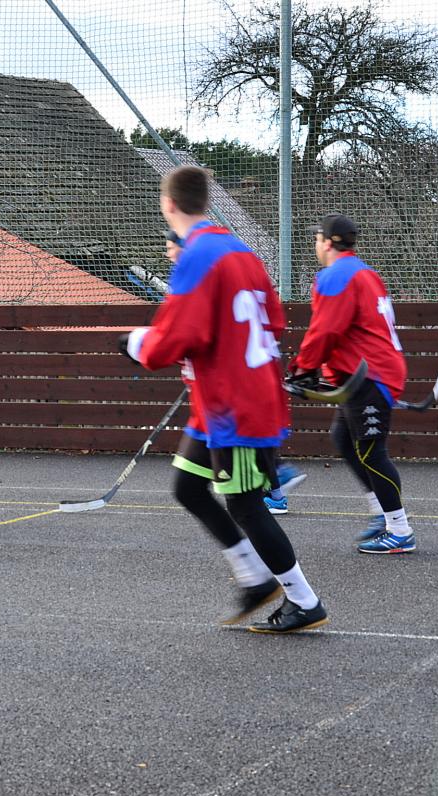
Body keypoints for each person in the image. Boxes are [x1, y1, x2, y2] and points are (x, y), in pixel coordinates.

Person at [121, 166, 327, 633]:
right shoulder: (241, 252)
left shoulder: (198, 255)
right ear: (206, 201)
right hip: (222, 404)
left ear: (168, 204)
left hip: (238, 406)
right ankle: (254, 578)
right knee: (188, 487)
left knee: (246, 505)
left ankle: (304, 600)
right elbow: (273, 321)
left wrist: (137, 345)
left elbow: (176, 337)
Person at [288, 214, 414, 554]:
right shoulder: (363, 272)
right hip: (367, 373)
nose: (315, 246)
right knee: (343, 439)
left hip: (370, 375)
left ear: (328, 242)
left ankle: (400, 530)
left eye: (317, 239)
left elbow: (326, 329)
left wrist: (302, 368)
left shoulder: (337, 274)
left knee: (372, 452)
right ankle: (382, 515)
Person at [163, 229, 307, 516]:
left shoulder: (201, 271)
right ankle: (277, 487)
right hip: (238, 384)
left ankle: (277, 483)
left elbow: (194, 332)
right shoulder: (219, 268)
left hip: (234, 390)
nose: (168, 254)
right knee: (192, 485)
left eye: (171, 247)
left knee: (242, 499)